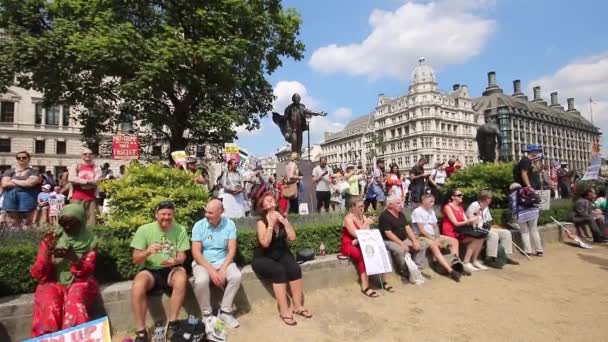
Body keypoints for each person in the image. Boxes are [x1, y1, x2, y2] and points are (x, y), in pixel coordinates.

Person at [30, 204, 98, 337]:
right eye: (63, 223)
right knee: (49, 299)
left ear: (82, 222)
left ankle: (75, 336)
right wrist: (47, 254)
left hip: (81, 281)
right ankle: (49, 337)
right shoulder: (52, 239)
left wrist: (74, 259)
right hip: (54, 281)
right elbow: (39, 272)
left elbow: (88, 269)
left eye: (72, 224)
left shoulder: (90, 241)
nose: (67, 227)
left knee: (75, 298)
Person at [130, 201, 190, 342]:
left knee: (181, 277)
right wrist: (147, 251)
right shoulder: (144, 230)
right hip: (151, 270)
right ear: (156, 215)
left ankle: (173, 323)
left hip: (171, 269)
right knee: (138, 284)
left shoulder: (180, 229)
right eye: (163, 214)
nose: (166, 217)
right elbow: (136, 259)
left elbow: (182, 256)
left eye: (169, 214)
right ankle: (140, 331)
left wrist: (174, 261)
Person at [251, 192, 311, 326]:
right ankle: (284, 311)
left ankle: (297, 306)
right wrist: (271, 225)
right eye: (267, 200)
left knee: (295, 268)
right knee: (279, 271)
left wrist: (283, 221)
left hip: (280, 253)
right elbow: (265, 243)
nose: (271, 201)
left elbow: (292, 237)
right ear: (263, 206)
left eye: (272, 199)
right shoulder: (261, 222)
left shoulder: (283, 218)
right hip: (263, 256)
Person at [191, 199, 242, 328]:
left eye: (211, 213)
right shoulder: (199, 225)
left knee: (236, 276)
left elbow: (232, 250)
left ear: (221, 212)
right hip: (203, 262)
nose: (207, 215)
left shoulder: (229, 224)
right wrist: (212, 271)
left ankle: (225, 311)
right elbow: (196, 252)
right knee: (201, 280)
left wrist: (223, 268)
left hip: (223, 261)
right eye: (206, 212)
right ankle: (207, 315)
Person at [411, 193, 462, 281]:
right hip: (422, 236)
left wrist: (437, 238)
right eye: (431, 201)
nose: (433, 203)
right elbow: (422, 230)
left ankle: (456, 265)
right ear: (424, 201)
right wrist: (435, 240)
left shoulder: (431, 211)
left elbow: (435, 226)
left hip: (433, 236)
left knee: (454, 241)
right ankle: (451, 271)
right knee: (434, 246)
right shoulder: (417, 211)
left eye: (433, 201)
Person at [378, 194, 428, 284]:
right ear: (390, 205)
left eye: (401, 202)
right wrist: (401, 243)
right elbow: (388, 234)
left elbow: (408, 228)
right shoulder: (384, 216)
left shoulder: (401, 214)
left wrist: (414, 241)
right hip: (388, 240)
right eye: (398, 203)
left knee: (421, 246)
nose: (401, 204)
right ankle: (404, 272)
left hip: (403, 238)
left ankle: (417, 271)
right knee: (400, 250)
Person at [341, 198, 386, 297]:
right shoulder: (348, 218)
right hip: (349, 244)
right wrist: (365, 224)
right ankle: (365, 286)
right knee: (362, 256)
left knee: (378, 250)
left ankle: (382, 280)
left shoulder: (364, 217)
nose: (362, 208)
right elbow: (356, 234)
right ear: (353, 207)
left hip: (360, 242)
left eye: (363, 205)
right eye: (360, 206)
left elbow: (367, 233)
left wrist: (365, 230)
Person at [466, 190, 520, 267]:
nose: (491, 199)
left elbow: (488, 221)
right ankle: (490, 258)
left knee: (506, 233)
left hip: (485, 228)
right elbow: (471, 221)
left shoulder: (486, 207)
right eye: (490, 198)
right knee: (493, 235)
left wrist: (492, 226)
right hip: (475, 229)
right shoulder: (474, 206)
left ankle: (505, 256)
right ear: (485, 198)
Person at [442, 189, 486, 273]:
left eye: (462, 195)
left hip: (459, 232)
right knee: (458, 241)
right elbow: (455, 223)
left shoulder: (460, 208)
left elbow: (468, 223)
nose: (462, 196)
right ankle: (460, 264)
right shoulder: (447, 207)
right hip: (450, 232)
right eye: (459, 195)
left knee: (479, 238)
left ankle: (470, 261)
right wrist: (469, 221)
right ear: (452, 197)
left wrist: (475, 215)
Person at [512, 144, 544, 256]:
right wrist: (529, 186)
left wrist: (538, 162)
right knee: (527, 226)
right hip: (526, 193)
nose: (538, 153)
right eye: (537, 151)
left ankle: (534, 249)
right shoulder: (525, 161)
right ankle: (531, 249)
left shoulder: (532, 162)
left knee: (530, 226)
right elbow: (524, 173)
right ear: (532, 152)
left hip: (529, 193)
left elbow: (539, 170)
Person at [1, 151, 41, 228]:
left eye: (24, 157)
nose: (21, 159)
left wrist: (13, 180)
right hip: (11, 197)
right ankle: (15, 239)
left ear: (29, 159)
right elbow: (4, 184)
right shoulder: (9, 171)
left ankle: (25, 238)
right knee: (12, 222)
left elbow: (30, 183)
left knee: (27, 221)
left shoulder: (33, 171)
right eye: (19, 158)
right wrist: (24, 182)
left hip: (28, 197)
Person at [68, 148, 102, 226]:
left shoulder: (96, 167)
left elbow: (97, 182)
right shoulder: (76, 166)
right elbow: (71, 178)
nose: (88, 155)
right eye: (85, 154)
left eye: (90, 154)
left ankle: (89, 238)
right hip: (76, 197)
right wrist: (88, 181)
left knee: (92, 222)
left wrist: (80, 182)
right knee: (75, 220)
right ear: (81, 156)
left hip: (91, 198)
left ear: (93, 156)